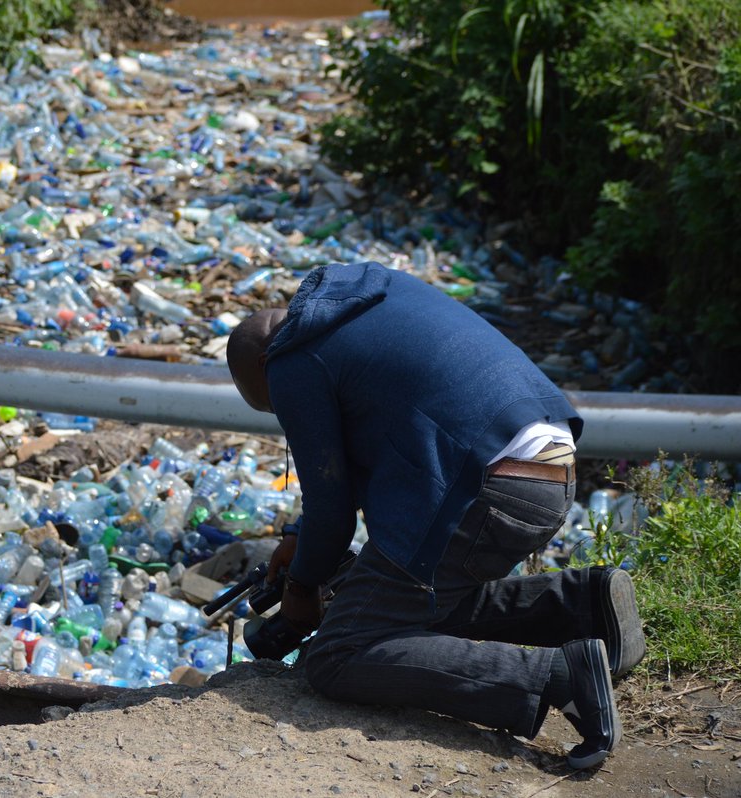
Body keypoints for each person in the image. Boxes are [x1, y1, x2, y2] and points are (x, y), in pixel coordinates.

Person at [226, 261, 645, 770]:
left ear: (267, 364)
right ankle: (583, 605)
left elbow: (333, 513)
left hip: (489, 488)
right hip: (551, 467)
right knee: (402, 605)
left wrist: (301, 592)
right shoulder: (363, 297)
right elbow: (373, 443)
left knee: (338, 654)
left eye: (274, 407)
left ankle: (559, 676)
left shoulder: (291, 362)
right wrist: (300, 536)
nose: (285, 413)